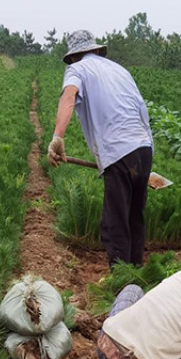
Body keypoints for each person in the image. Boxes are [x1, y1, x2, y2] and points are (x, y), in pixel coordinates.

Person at [47, 30, 153, 268]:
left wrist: (57, 137)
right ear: (96, 50)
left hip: (117, 151)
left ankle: (121, 283)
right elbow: (141, 109)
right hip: (143, 148)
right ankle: (136, 276)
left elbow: (68, 96)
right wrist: (146, 156)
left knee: (114, 224)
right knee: (135, 218)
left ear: (74, 57)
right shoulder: (120, 70)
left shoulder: (77, 69)